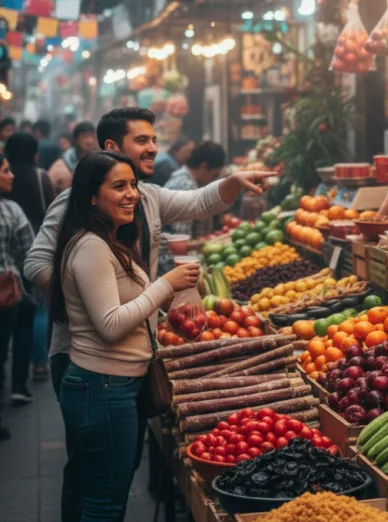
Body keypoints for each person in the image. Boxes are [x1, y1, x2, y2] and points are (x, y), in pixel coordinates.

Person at [24, 107, 269, 522]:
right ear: (111, 147)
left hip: (130, 357)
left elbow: (199, 200)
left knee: (113, 473)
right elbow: (36, 265)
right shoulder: (76, 205)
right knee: (88, 473)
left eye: (154, 140)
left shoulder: (148, 196)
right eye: (143, 140)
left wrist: (231, 182)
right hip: (83, 356)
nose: (154, 147)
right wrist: (81, 300)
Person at [50, 151, 200, 522]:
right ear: (90, 195)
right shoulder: (91, 247)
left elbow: (128, 307)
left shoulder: (110, 240)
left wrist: (169, 312)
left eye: (133, 184)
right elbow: (110, 324)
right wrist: (165, 285)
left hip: (112, 387)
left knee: (107, 498)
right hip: (103, 388)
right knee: (104, 504)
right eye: (119, 186)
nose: (132, 193)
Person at [2, 132, 55, 404]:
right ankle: (27, 376)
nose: (9, 175)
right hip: (26, 260)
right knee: (32, 315)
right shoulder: (39, 178)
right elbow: (51, 213)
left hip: (14, 269)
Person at [0, 153, 35, 440]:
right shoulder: (10, 211)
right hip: (6, 296)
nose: (11, 175)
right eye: (6, 170)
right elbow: (29, 253)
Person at [158, 141, 226, 274]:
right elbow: (181, 243)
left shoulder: (182, 178)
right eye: (215, 175)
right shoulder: (186, 186)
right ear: (204, 167)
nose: (213, 181)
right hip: (168, 266)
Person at [48, 121, 99, 194]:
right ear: (76, 140)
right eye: (85, 137)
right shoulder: (62, 166)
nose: (89, 141)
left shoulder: (104, 163)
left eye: (93, 137)